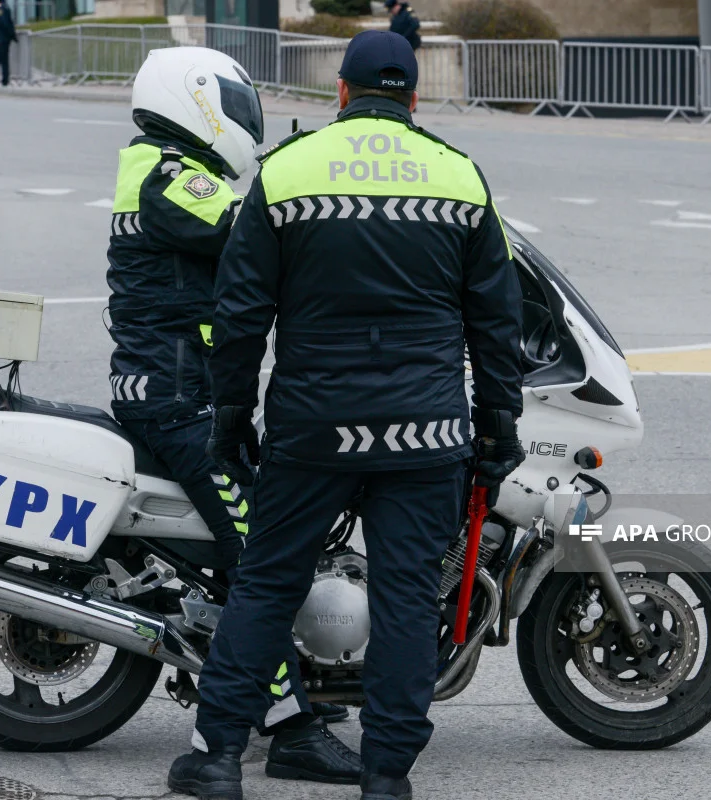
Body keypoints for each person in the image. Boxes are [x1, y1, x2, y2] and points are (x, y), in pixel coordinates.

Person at [168, 29, 526, 800]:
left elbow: (239, 311)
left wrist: (231, 418)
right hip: (424, 432)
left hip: (312, 427)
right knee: (405, 597)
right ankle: (387, 775)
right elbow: (497, 321)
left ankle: (217, 758)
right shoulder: (459, 177)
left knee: (266, 585)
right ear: (412, 97)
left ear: (340, 93)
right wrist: (497, 427)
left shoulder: (288, 173)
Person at [106, 46, 358, 786]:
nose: (243, 124)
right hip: (179, 403)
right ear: (198, 102)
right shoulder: (169, 176)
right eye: (236, 108)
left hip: (186, 393)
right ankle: (288, 730)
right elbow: (258, 229)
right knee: (261, 560)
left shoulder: (166, 170)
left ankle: (297, 680)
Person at [0, 0, 18, 87]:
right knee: (4, 60)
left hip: (0, 39)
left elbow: (4, 23)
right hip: (3, 38)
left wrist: (11, 34)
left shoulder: (0, 7)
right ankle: (4, 80)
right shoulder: (5, 6)